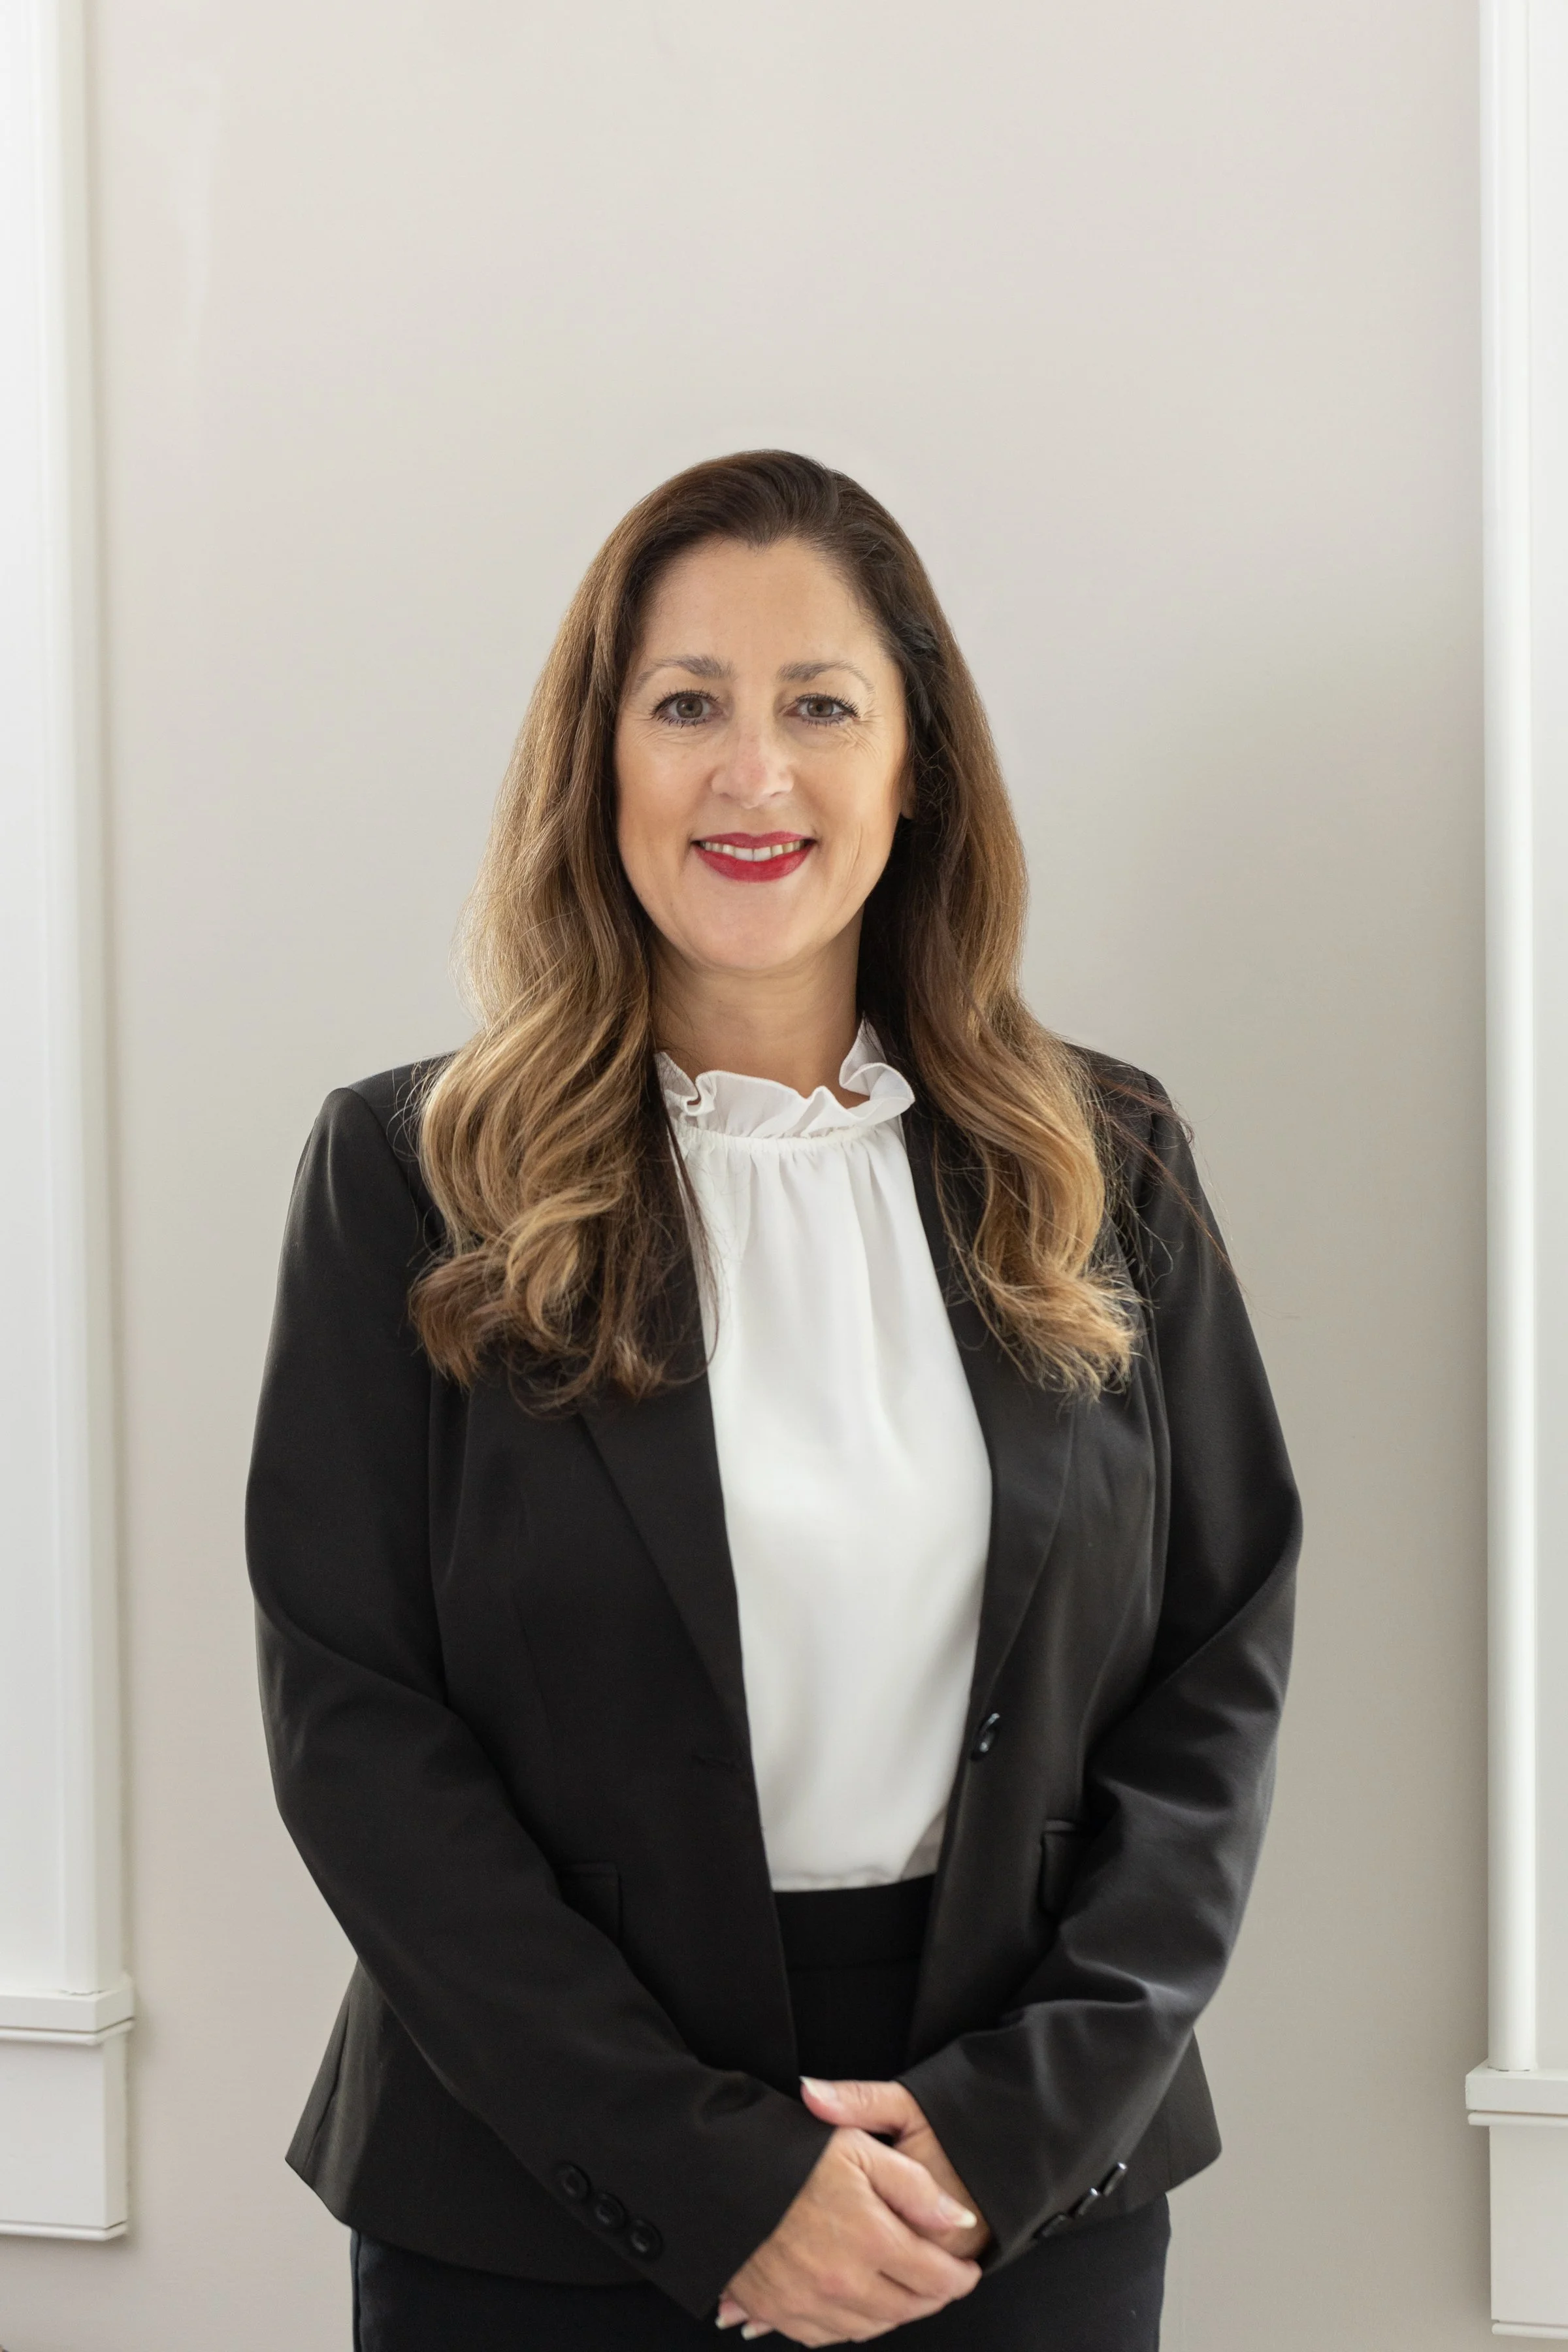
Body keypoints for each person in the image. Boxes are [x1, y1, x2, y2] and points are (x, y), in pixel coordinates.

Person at [246, 449, 1299, 2352]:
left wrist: (1011, 2132)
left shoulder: (1105, 1156)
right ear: (597, 763)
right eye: (685, 706)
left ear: (917, 768)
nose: (755, 772)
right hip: (538, 2193)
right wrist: (715, 2181)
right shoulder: (410, 1175)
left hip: (1009, 2193)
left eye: (821, 705)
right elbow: (356, 1730)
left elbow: (1217, 1674)